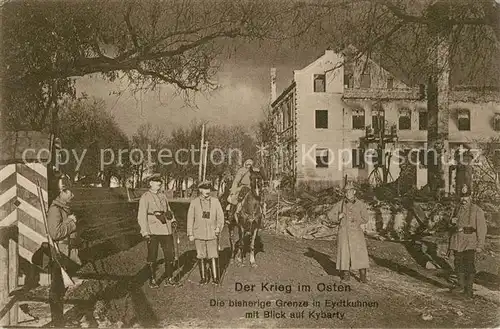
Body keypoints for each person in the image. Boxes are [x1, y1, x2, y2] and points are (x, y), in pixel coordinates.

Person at [46, 176, 77, 326]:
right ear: (63, 191)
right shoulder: (55, 209)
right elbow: (55, 233)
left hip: (65, 253)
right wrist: (71, 223)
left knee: (59, 289)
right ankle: (58, 323)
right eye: (70, 192)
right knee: (56, 290)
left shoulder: (63, 207)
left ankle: (59, 320)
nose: (73, 195)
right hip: (59, 254)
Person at [137, 174, 178, 288]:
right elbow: (141, 216)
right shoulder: (145, 197)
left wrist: (173, 220)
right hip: (153, 230)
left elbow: (169, 210)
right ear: (150, 183)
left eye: (159, 181)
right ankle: (153, 280)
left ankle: (169, 278)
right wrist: (145, 232)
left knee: (170, 254)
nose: (159, 183)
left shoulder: (163, 196)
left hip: (166, 230)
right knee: (152, 256)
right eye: (155, 181)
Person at [327, 181, 370, 283]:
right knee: (344, 253)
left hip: (357, 233)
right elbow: (329, 215)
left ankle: (363, 276)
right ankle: (346, 275)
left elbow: (366, 218)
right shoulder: (340, 204)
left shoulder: (361, 204)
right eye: (346, 192)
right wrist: (338, 217)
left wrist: (357, 221)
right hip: (344, 232)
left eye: (350, 191)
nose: (347, 194)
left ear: (354, 192)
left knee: (360, 254)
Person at [448, 184, 487, 298]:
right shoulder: (456, 208)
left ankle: (468, 290)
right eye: (462, 196)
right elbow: (450, 225)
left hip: (470, 241)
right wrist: (451, 222)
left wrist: (480, 244)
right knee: (458, 263)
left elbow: (482, 228)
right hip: (457, 241)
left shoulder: (477, 210)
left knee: (469, 265)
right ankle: (460, 286)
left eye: (466, 196)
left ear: (470, 196)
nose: (463, 199)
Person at [187, 181, 225, 285]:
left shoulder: (215, 201)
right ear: (200, 190)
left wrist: (218, 228)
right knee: (201, 255)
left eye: (208, 189)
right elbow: (190, 219)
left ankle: (215, 278)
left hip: (212, 234)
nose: (207, 191)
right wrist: (190, 233)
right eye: (204, 189)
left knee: (213, 255)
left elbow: (221, 217)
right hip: (198, 233)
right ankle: (203, 278)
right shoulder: (194, 202)